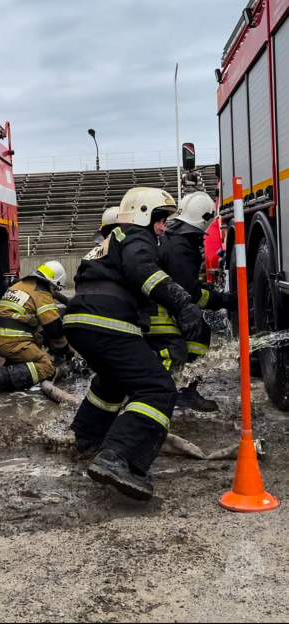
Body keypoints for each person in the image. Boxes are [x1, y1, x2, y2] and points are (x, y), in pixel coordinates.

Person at [62, 187, 207, 502]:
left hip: (81, 321)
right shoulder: (135, 237)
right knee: (157, 389)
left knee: (113, 381)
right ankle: (117, 458)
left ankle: (87, 440)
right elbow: (145, 273)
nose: (162, 227)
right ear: (142, 214)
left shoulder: (110, 241)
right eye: (158, 219)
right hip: (107, 321)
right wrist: (183, 303)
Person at [145, 191, 237, 411]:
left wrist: (208, 290)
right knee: (197, 331)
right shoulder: (182, 248)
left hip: (151, 308)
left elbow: (185, 283)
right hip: (159, 314)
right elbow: (191, 295)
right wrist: (226, 300)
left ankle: (177, 390)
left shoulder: (172, 239)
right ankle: (179, 392)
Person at [0, 260, 73, 393]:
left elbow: (37, 327)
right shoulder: (42, 293)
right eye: (56, 289)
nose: (54, 294)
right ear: (53, 284)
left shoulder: (19, 286)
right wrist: (64, 351)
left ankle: (6, 367)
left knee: (37, 340)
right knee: (47, 367)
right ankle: (2, 376)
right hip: (10, 340)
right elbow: (54, 329)